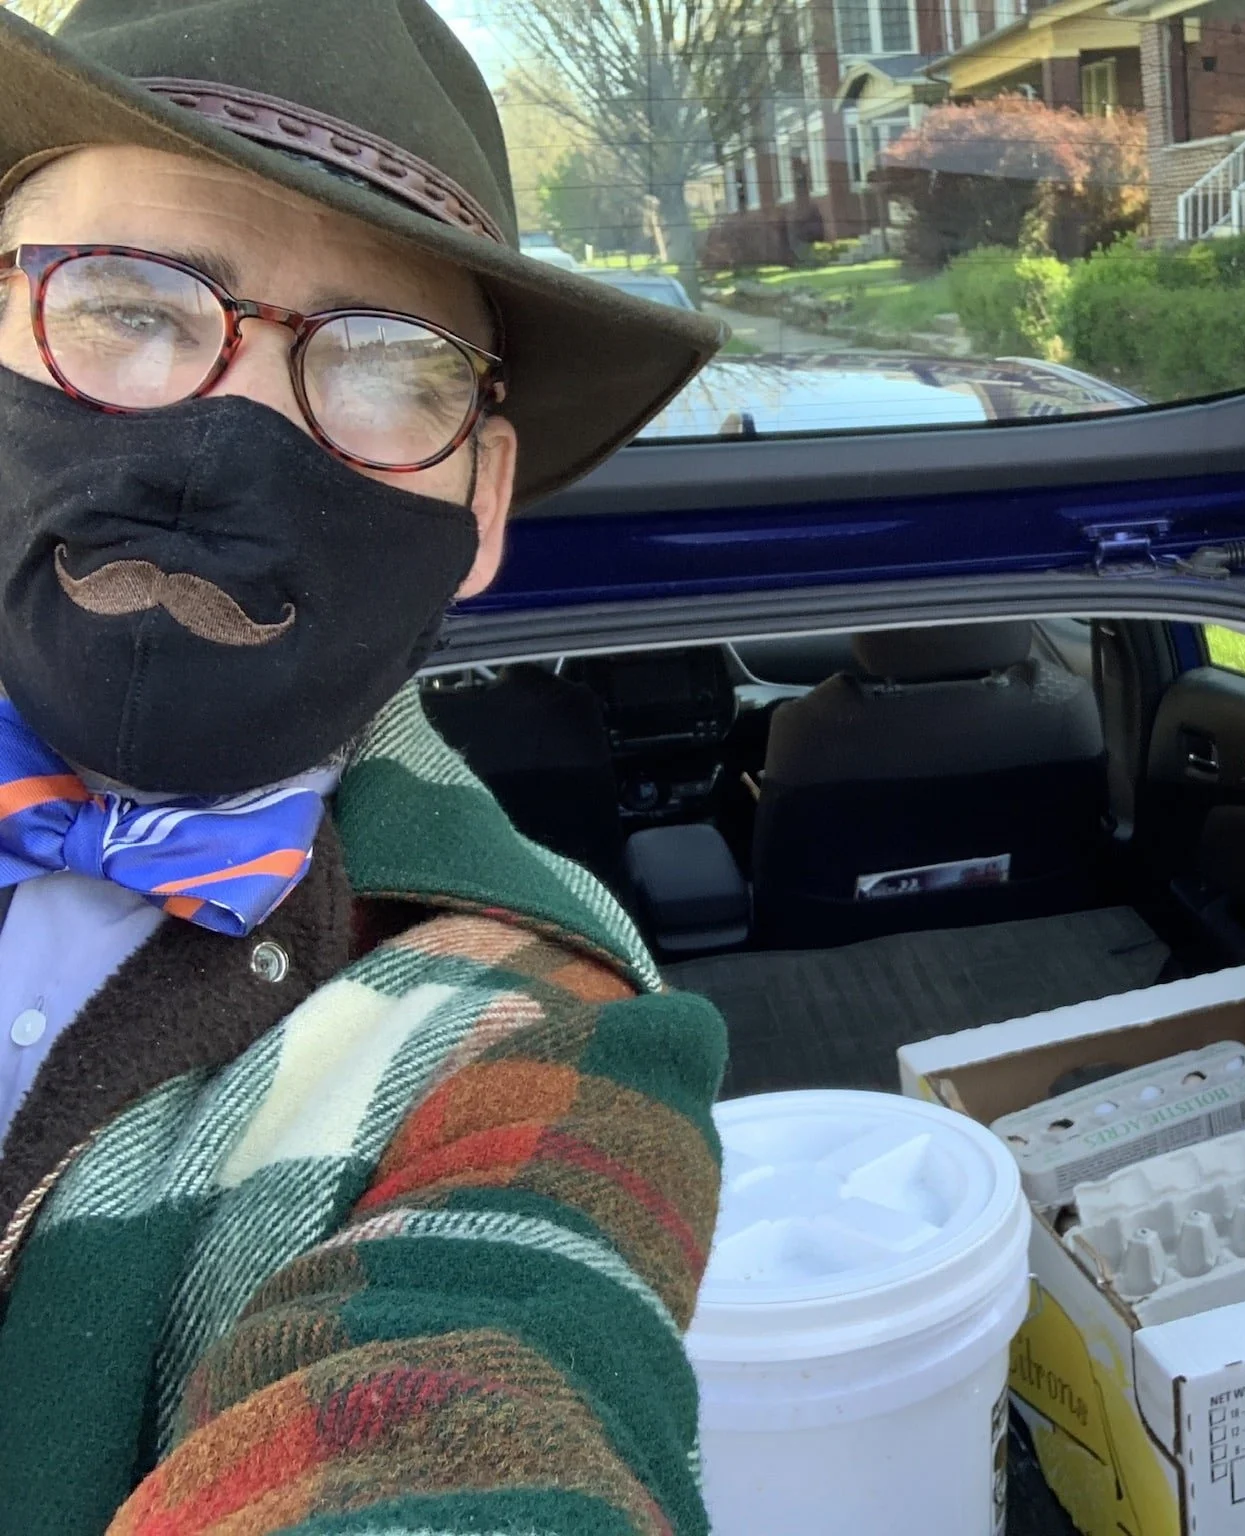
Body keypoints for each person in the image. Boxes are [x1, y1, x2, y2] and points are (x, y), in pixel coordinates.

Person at [0, 2, 731, 1530]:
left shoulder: (528, 1016)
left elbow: (482, 1381)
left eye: (389, 361)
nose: (229, 431)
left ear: (484, 501)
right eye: (125, 303)